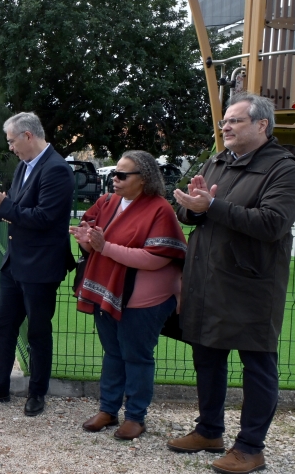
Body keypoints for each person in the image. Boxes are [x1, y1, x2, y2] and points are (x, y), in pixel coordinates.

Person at [168, 93, 295, 473]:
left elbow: (272, 223)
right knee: (206, 358)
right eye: (224, 121)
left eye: (234, 121)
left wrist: (212, 207)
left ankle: (249, 447)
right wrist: (192, 207)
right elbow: (192, 211)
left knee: (257, 366)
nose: (225, 126)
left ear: (262, 125)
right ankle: (209, 431)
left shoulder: (285, 170)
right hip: (206, 281)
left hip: (251, 286)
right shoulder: (218, 161)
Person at [70, 150, 186, 440]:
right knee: (113, 353)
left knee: (137, 356)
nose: (115, 179)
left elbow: (156, 258)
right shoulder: (106, 202)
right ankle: (108, 410)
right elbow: (93, 247)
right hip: (106, 292)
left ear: (143, 178)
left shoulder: (160, 209)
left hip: (144, 300)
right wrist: (86, 242)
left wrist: (104, 247)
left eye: (122, 175)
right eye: (114, 174)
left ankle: (135, 416)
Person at [0, 112, 74, 416]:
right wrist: (3, 204)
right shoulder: (23, 166)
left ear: (28, 135)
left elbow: (44, 218)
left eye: (12, 141)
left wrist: (3, 205)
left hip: (40, 266)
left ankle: (37, 392)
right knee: (4, 327)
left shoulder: (56, 169)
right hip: (14, 263)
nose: (10, 147)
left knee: (37, 332)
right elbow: (16, 207)